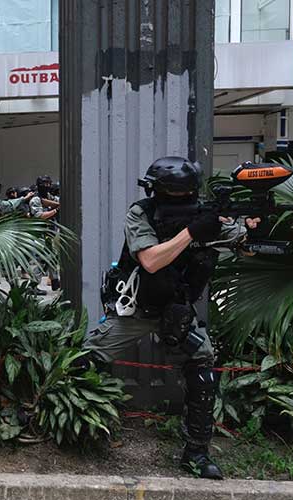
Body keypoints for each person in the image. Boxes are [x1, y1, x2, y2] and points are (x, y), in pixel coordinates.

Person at [81, 157, 259, 480]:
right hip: (137, 308)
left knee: (203, 362)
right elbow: (150, 260)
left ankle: (196, 454)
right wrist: (192, 232)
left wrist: (247, 229)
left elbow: (244, 245)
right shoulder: (141, 214)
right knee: (86, 356)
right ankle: (77, 433)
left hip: (177, 311)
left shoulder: (206, 218)